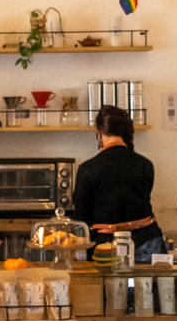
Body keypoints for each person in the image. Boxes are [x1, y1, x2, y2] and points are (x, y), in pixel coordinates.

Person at [69, 104, 165, 257]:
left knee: (110, 282)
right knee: (148, 282)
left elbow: (81, 220)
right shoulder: (145, 164)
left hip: (106, 246)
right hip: (148, 243)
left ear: (98, 132)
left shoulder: (88, 169)